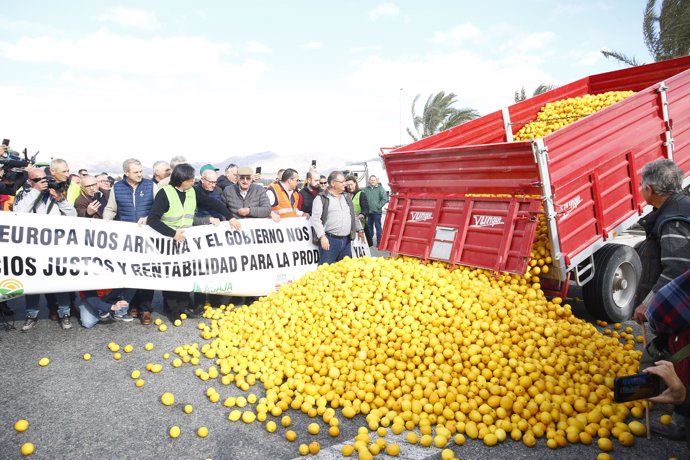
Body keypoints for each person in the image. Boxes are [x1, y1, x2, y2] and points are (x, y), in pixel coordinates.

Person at [632, 159, 690, 439]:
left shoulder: (674, 219)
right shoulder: (675, 209)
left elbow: (677, 269)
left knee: (675, 359)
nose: (640, 188)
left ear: (650, 188)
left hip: (683, 313)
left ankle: (681, 419)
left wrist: (649, 303)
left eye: (641, 184)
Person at [148, 164, 241, 320]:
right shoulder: (165, 193)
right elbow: (153, 219)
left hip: (186, 241)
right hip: (168, 240)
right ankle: (173, 312)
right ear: (181, 180)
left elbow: (213, 204)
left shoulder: (192, 192)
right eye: (191, 179)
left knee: (185, 274)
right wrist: (172, 234)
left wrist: (230, 217)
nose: (193, 181)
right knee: (171, 277)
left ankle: (183, 307)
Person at [13, 166, 77, 331]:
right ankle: (31, 315)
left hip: (55, 248)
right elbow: (18, 213)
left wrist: (61, 199)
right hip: (31, 248)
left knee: (59, 282)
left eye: (44, 179)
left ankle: (65, 314)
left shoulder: (54, 194)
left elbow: (73, 216)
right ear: (29, 181)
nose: (42, 183)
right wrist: (35, 191)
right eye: (37, 180)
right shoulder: (23, 194)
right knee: (33, 283)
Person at [104, 158, 157, 324]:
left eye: (141, 171)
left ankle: (146, 309)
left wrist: (149, 218)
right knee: (130, 272)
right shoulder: (117, 187)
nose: (140, 174)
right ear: (126, 173)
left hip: (148, 237)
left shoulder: (150, 186)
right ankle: (132, 305)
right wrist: (104, 224)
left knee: (148, 273)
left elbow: (158, 208)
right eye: (136, 172)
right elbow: (111, 209)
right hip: (127, 240)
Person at [310, 171, 365, 265]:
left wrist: (360, 229)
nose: (345, 184)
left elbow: (352, 214)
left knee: (347, 270)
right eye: (342, 182)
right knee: (326, 271)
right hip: (330, 241)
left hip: (347, 240)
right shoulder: (321, 198)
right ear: (333, 183)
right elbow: (315, 219)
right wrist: (322, 237)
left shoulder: (346, 197)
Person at [344, 175, 373, 247]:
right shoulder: (344, 195)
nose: (350, 187)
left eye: (351, 184)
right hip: (347, 226)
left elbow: (366, 208)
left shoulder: (361, 194)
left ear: (355, 183)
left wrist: (362, 214)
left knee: (362, 246)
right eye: (348, 185)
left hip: (360, 224)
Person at [360, 175, 388, 247]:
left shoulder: (380, 189)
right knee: (369, 227)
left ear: (376, 181)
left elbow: (385, 199)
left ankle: (379, 242)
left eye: (374, 180)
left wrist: (378, 206)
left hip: (377, 212)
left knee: (378, 227)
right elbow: (362, 197)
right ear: (369, 181)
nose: (372, 181)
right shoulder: (366, 189)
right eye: (371, 180)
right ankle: (369, 242)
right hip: (368, 212)